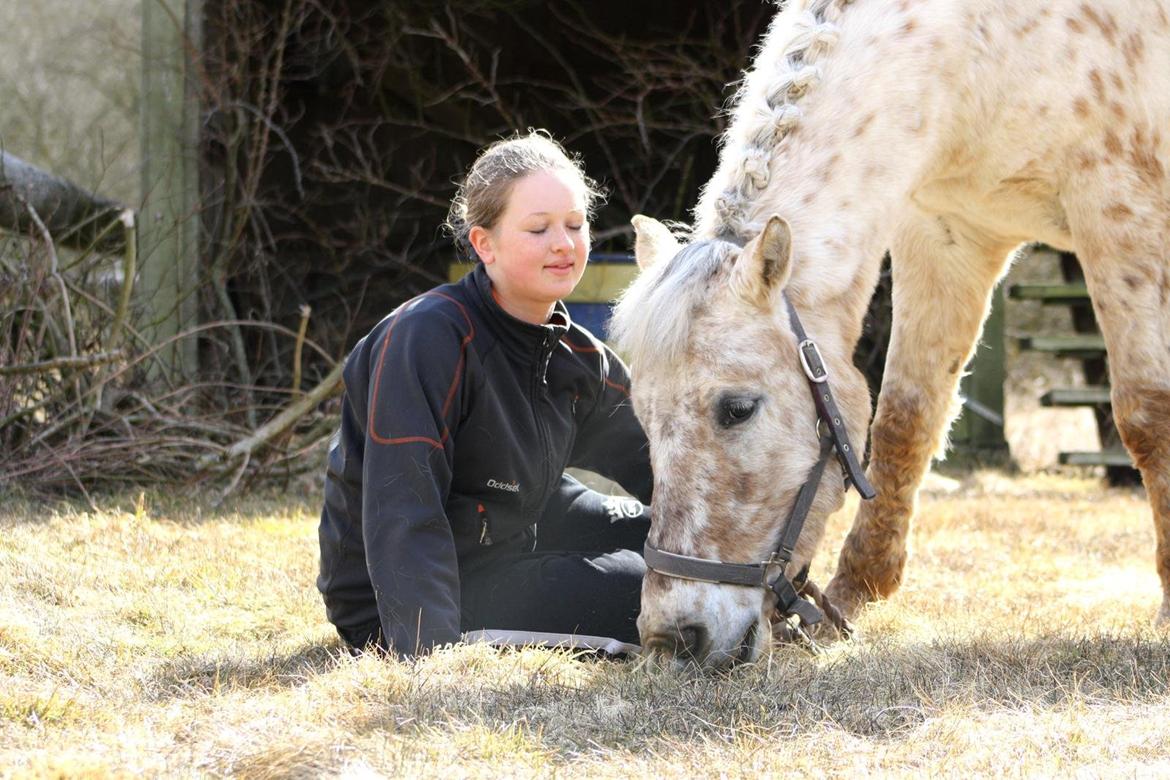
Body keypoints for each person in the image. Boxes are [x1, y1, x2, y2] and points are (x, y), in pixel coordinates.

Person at [317, 131, 654, 657]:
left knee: (671, 543)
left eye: (575, 224)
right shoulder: (426, 338)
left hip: (524, 528)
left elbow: (660, 464)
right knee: (646, 589)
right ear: (484, 243)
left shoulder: (581, 359)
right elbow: (404, 509)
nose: (564, 243)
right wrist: (425, 654)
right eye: (539, 229)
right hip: (415, 593)